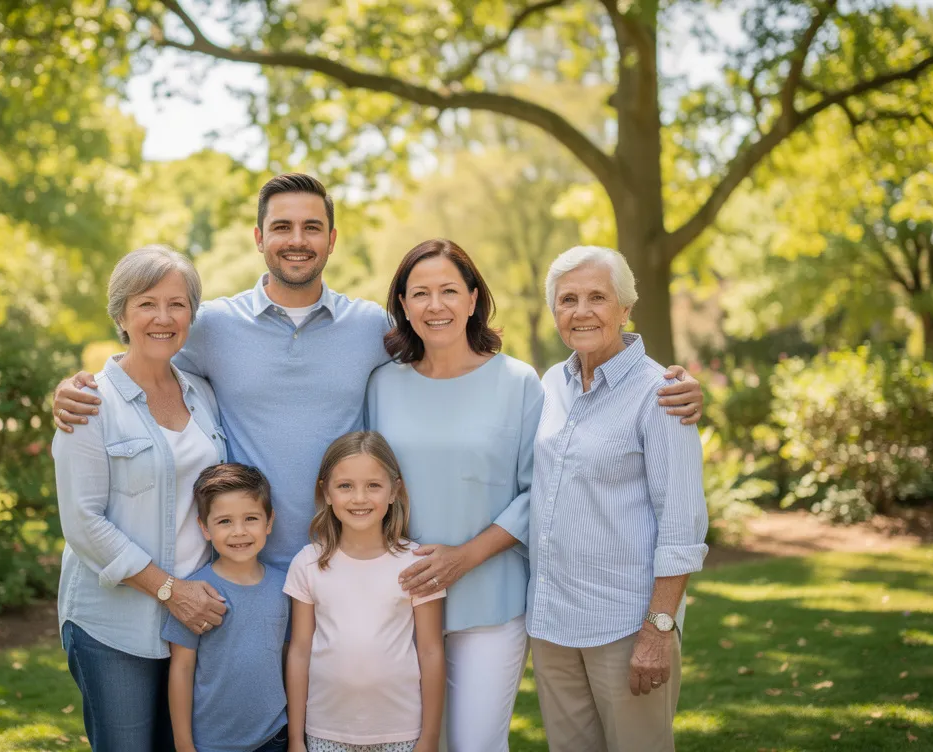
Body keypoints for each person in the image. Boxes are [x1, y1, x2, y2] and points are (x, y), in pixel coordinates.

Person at [50, 173, 704, 582]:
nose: (296, 239)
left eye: (312, 227)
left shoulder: (371, 330)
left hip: (344, 560)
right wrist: (78, 387)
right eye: (282, 227)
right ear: (258, 237)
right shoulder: (212, 326)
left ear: (332, 239)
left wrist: (647, 376)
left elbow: (451, 361)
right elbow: (147, 357)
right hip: (238, 561)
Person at [528, 246, 709, 752]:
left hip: (626, 627)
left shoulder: (661, 393)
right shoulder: (551, 386)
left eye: (597, 297)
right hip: (554, 626)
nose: (581, 311)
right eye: (567, 299)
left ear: (626, 307)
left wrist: (657, 631)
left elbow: (682, 525)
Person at [53, 245, 232, 752]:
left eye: (177, 304)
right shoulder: (90, 403)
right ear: (120, 315)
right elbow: (84, 524)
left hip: (194, 621)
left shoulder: (203, 393)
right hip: (116, 626)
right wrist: (169, 590)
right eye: (147, 303)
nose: (163, 317)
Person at [364, 239, 540, 752]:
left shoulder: (517, 382)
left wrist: (463, 558)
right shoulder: (381, 385)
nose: (434, 305)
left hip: (490, 598)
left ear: (472, 299)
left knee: (476, 745)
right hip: (399, 600)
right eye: (420, 293)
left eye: (448, 290)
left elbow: (536, 493)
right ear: (403, 305)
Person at [284, 432, 445, 752]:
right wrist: (295, 739)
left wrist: (429, 738)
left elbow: (430, 651)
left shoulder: (416, 563)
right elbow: (299, 651)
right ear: (326, 492)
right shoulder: (307, 563)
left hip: (400, 733)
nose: (359, 498)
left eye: (373, 485)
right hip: (325, 731)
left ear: (394, 491)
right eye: (345, 486)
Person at [164, 463, 290, 752]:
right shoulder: (195, 592)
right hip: (212, 742)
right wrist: (184, 744)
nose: (239, 531)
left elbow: (287, 656)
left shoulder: (285, 587)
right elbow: (181, 668)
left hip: (273, 736)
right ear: (204, 528)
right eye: (224, 522)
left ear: (269, 522)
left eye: (251, 518)